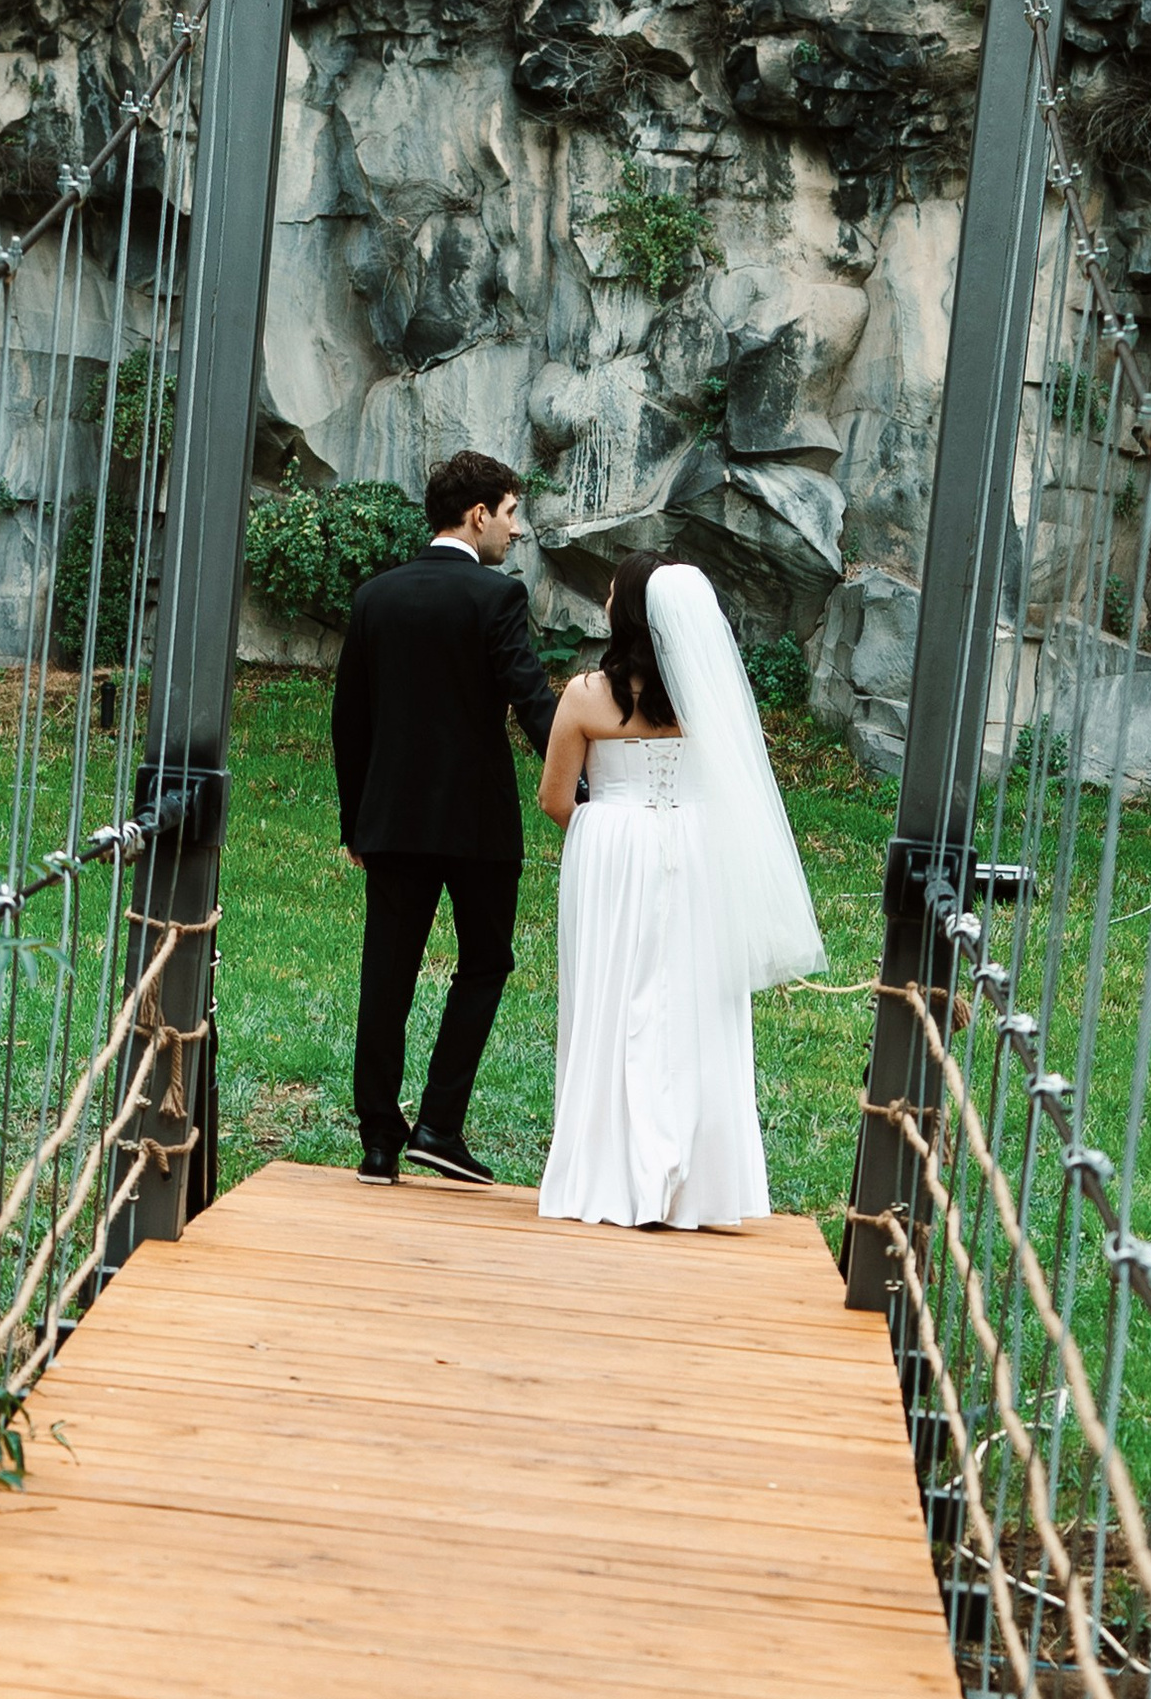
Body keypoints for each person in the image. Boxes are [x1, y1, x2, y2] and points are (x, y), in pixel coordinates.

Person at [534, 555, 823, 1231]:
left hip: (610, 855)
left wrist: (611, 834)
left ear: (628, 611)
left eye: (612, 591)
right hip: (696, 854)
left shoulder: (584, 695)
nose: (604, 597)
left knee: (610, 997)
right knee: (693, 1001)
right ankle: (694, 1179)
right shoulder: (711, 695)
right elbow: (737, 790)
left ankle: (609, 1169)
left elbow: (554, 796)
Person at [331, 449, 561, 1187]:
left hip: (392, 822)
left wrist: (354, 822)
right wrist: (587, 770)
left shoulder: (376, 597)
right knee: (486, 963)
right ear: (478, 514)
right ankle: (438, 1123)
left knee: (385, 976)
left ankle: (376, 1144)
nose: (516, 531)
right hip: (478, 827)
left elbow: (349, 720)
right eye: (511, 513)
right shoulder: (497, 599)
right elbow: (531, 702)